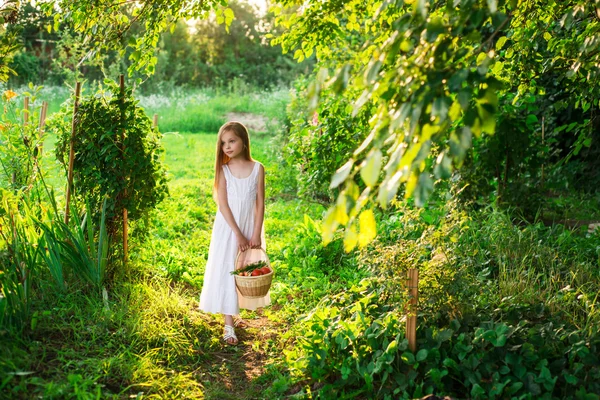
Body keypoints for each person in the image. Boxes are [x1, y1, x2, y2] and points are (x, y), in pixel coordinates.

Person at [199, 121, 271, 345]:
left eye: (232, 141)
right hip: (229, 227)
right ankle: (228, 324)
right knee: (227, 268)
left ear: (244, 142)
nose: (227, 147)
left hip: (250, 224)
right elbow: (223, 205)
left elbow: (260, 203)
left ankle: (236, 309)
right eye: (223, 143)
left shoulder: (258, 168)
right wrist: (238, 234)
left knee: (243, 269)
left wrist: (255, 233)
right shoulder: (224, 170)